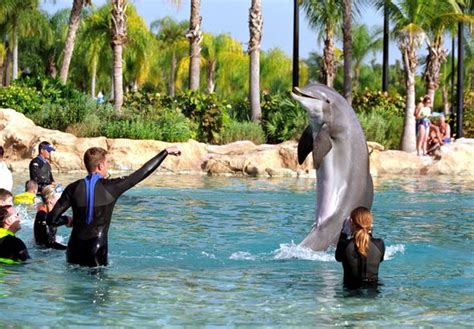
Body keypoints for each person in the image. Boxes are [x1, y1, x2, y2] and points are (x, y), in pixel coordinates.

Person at [47, 146, 181, 267]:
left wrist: (67, 220)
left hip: (74, 250)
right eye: (106, 164)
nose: (107, 167)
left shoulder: (73, 188)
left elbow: (51, 220)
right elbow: (142, 172)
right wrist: (165, 152)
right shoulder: (112, 187)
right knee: (96, 290)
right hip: (96, 250)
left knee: (73, 291)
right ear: (100, 166)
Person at [335, 207, 385, 289]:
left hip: (350, 290)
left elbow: (338, 258)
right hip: (373, 290)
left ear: (351, 223)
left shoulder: (344, 244)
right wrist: (369, 231)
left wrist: (343, 233)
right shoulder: (379, 244)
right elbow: (380, 259)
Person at [34, 185, 71, 250]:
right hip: (43, 256)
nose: (63, 202)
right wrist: (69, 249)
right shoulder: (42, 216)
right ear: (50, 200)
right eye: (60, 200)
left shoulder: (50, 214)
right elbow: (49, 244)